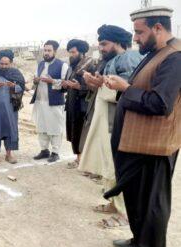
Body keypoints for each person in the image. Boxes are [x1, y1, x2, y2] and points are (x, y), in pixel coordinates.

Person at [104, 6, 181, 247]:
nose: (135, 38)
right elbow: (143, 89)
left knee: (153, 203)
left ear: (158, 28)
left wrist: (127, 89)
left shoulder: (174, 57)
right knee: (137, 198)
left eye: (140, 32)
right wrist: (122, 88)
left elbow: (160, 103)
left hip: (156, 145)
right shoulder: (155, 54)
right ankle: (140, 241)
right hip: (138, 142)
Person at [79, 25, 143, 228]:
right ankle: (115, 204)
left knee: (118, 167)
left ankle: (125, 214)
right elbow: (109, 86)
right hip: (106, 121)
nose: (102, 48)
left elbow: (131, 91)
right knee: (108, 166)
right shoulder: (111, 61)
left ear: (117, 43)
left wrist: (104, 84)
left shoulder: (130, 59)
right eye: (100, 45)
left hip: (119, 122)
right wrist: (95, 82)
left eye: (105, 44)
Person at [31, 40, 68, 163]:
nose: (46, 53)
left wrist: (52, 81)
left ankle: (55, 152)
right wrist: (35, 81)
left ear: (55, 51)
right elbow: (35, 82)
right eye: (45, 50)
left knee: (55, 128)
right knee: (42, 127)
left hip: (54, 102)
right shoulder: (40, 64)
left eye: (49, 50)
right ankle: (44, 150)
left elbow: (65, 84)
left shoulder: (62, 65)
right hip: (40, 101)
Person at [62, 39, 95, 168]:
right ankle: (79, 159)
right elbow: (68, 83)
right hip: (71, 105)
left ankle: (84, 161)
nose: (71, 55)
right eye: (69, 52)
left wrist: (79, 87)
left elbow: (95, 87)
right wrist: (65, 85)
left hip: (83, 106)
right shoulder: (72, 67)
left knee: (82, 133)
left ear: (82, 52)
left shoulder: (90, 65)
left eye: (73, 52)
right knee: (74, 133)